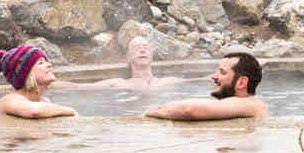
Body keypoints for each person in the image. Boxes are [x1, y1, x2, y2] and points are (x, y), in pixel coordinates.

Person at [144, 46, 270, 121]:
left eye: (222, 72)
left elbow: (189, 110)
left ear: (241, 82)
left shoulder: (250, 104)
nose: (214, 76)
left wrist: (151, 112)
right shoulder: (249, 105)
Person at [50, 35, 198, 90]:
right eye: (136, 48)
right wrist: (45, 83)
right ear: (127, 57)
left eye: (145, 47)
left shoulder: (168, 81)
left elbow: (200, 81)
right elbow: (77, 86)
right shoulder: (119, 84)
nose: (142, 50)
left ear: (152, 56)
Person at [0, 45, 78, 118]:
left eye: (46, 62)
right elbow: (34, 111)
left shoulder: (45, 101)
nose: (49, 65)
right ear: (26, 73)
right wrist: (71, 111)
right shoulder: (9, 100)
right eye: (41, 63)